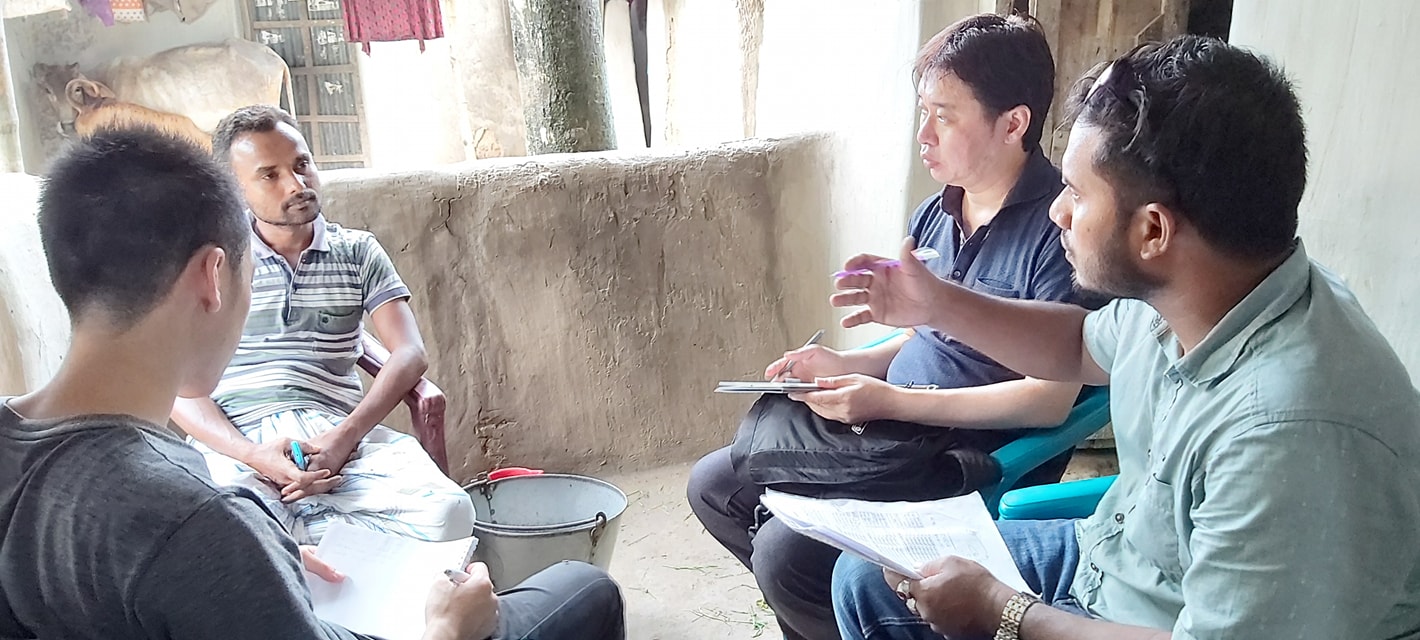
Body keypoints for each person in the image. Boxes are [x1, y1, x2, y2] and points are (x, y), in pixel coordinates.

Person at [830, 35, 1420, 640]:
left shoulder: (1286, 432)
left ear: (1153, 231)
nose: (1058, 212)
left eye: (1078, 194)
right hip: (1118, 558)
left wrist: (1001, 610)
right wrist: (940, 304)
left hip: (1163, 618)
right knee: (865, 579)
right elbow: (1079, 346)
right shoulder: (1193, 291)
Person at [0, 128, 625, 639]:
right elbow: (198, 548)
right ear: (213, 277)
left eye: (301, 165)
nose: (295, 184)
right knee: (585, 588)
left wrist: (263, 560)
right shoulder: (202, 522)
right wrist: (445, 632)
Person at [687, 14, 1101, 640]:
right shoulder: (936, 213)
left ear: (1014, 123)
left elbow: (1051, 398)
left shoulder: (1056, 234)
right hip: (890, 430)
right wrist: (845, 366)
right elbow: (920, 337)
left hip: (965, 454)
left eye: (944, 116)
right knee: (716, 485)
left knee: (783, 553)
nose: (923, 136)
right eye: (922, 113)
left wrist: (890, 400)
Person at [171, 105, 473, 544]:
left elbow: (410, 353)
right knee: (220, 535)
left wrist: (343, 438)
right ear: (234, 189)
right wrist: (252, 455)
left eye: (301, 164)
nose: (296, 184)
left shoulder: (358, 252)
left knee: (447, 512)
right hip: (237, 441)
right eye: (270, 175)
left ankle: (314, 549)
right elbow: (176, 384)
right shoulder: (213, 263)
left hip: (335, 432)